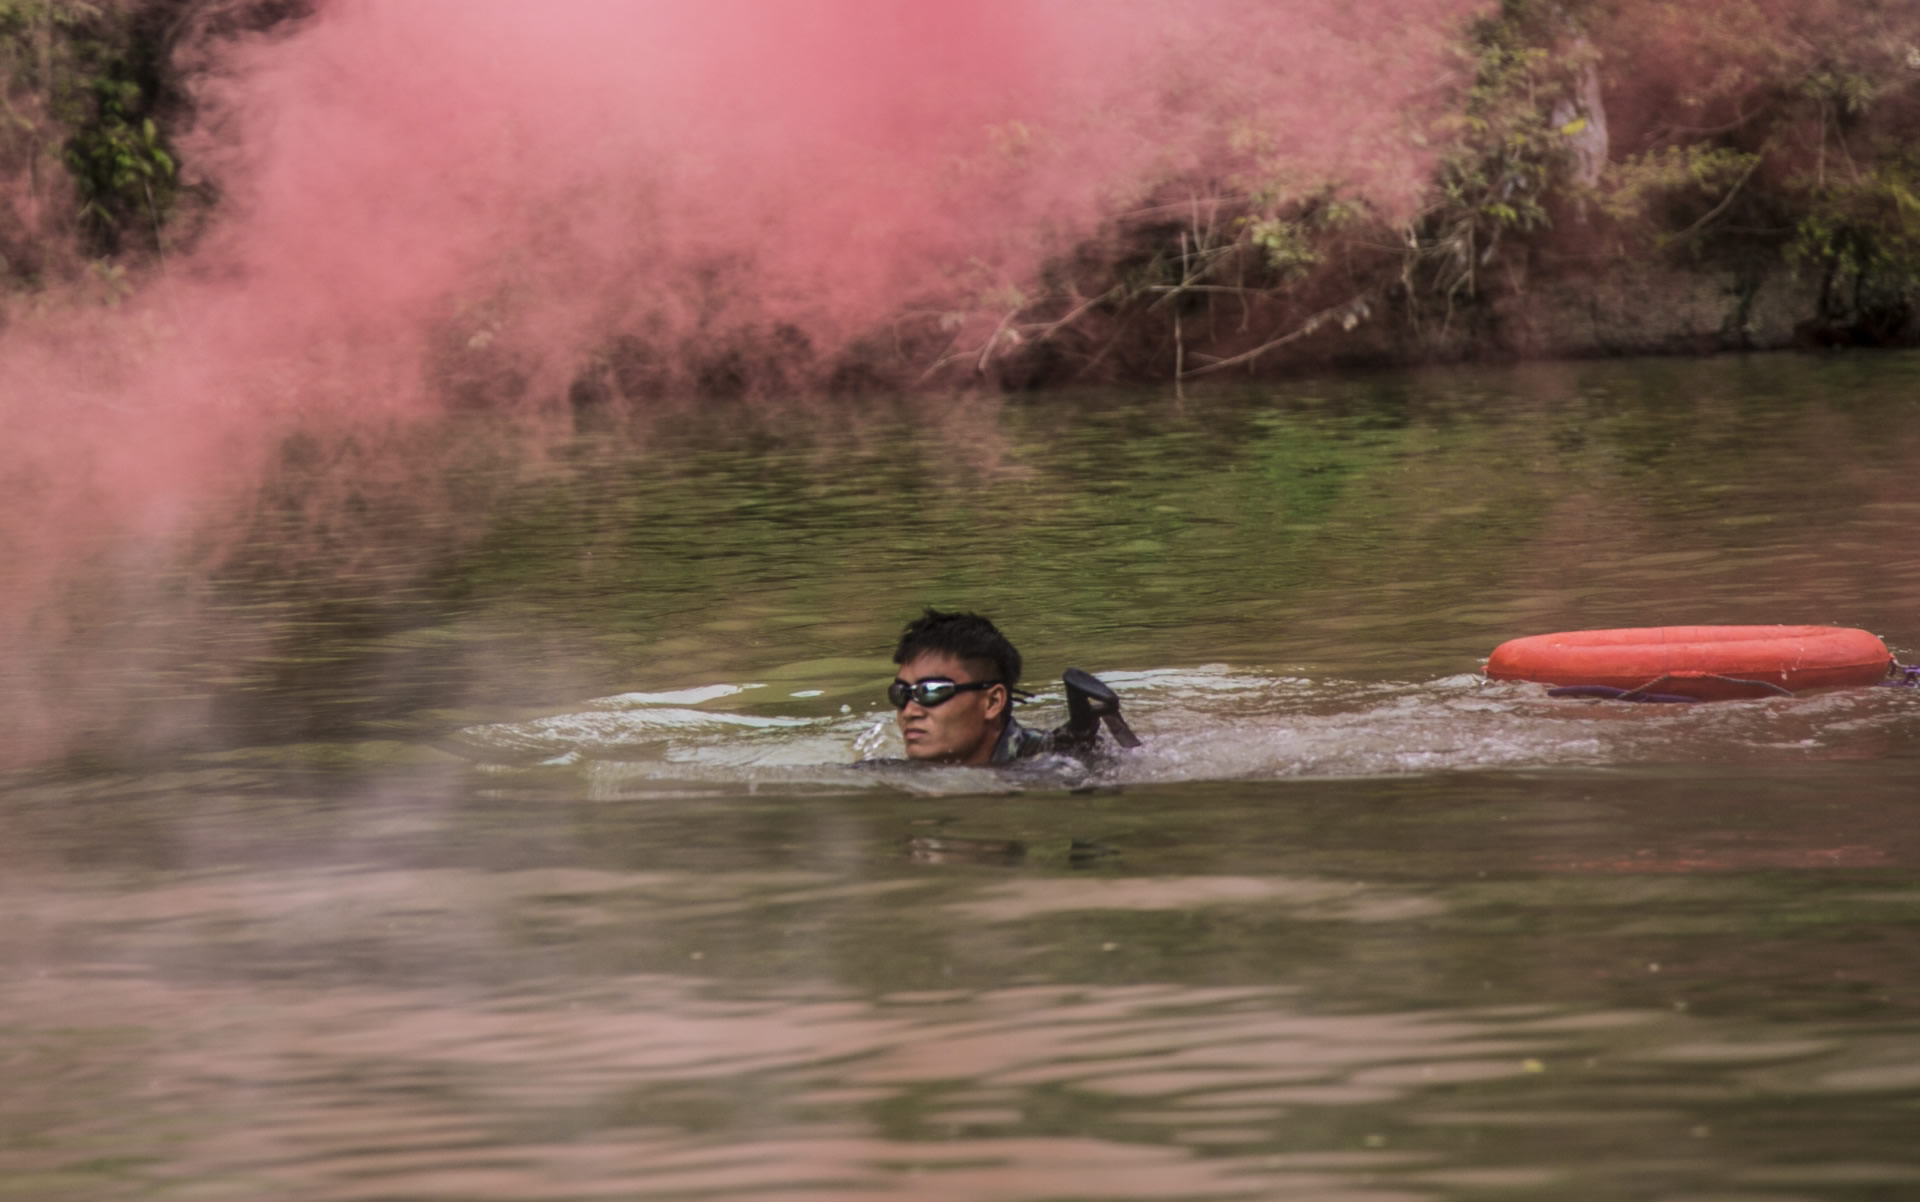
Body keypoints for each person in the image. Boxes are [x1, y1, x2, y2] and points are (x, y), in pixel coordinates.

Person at [888, 608, 1138, 766]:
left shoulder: (1056, 769)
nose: (910, 711)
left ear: (992, 702)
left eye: (930, 691)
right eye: (901, 693)